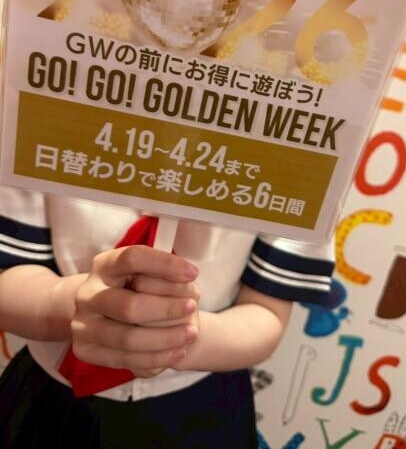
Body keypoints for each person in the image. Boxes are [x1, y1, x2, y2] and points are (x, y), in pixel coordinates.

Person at [0, 186, 337, 448]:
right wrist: (77, 302)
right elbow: (10, 280)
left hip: (202, 403)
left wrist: (181, 336)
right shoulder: (36, 119)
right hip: (49, 400)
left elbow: (266, 313)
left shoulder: (306, 151)